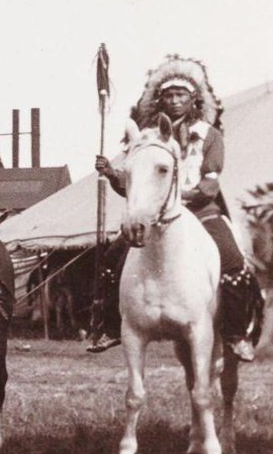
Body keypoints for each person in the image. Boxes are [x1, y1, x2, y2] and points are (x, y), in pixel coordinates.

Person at [93, 55, 260, 361]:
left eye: (181, 94)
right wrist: (111, 173)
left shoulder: (209, 135)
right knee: (113, 255)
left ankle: (236, 334)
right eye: (168, 95)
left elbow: (211, 182)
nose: (174, 100)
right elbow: (136, 183)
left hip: (201, 210)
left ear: (193, 98)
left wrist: (181, 197)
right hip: (155, 215)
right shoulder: (148, 137)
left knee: (234, 262)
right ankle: (111, 326)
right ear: (161, 99)